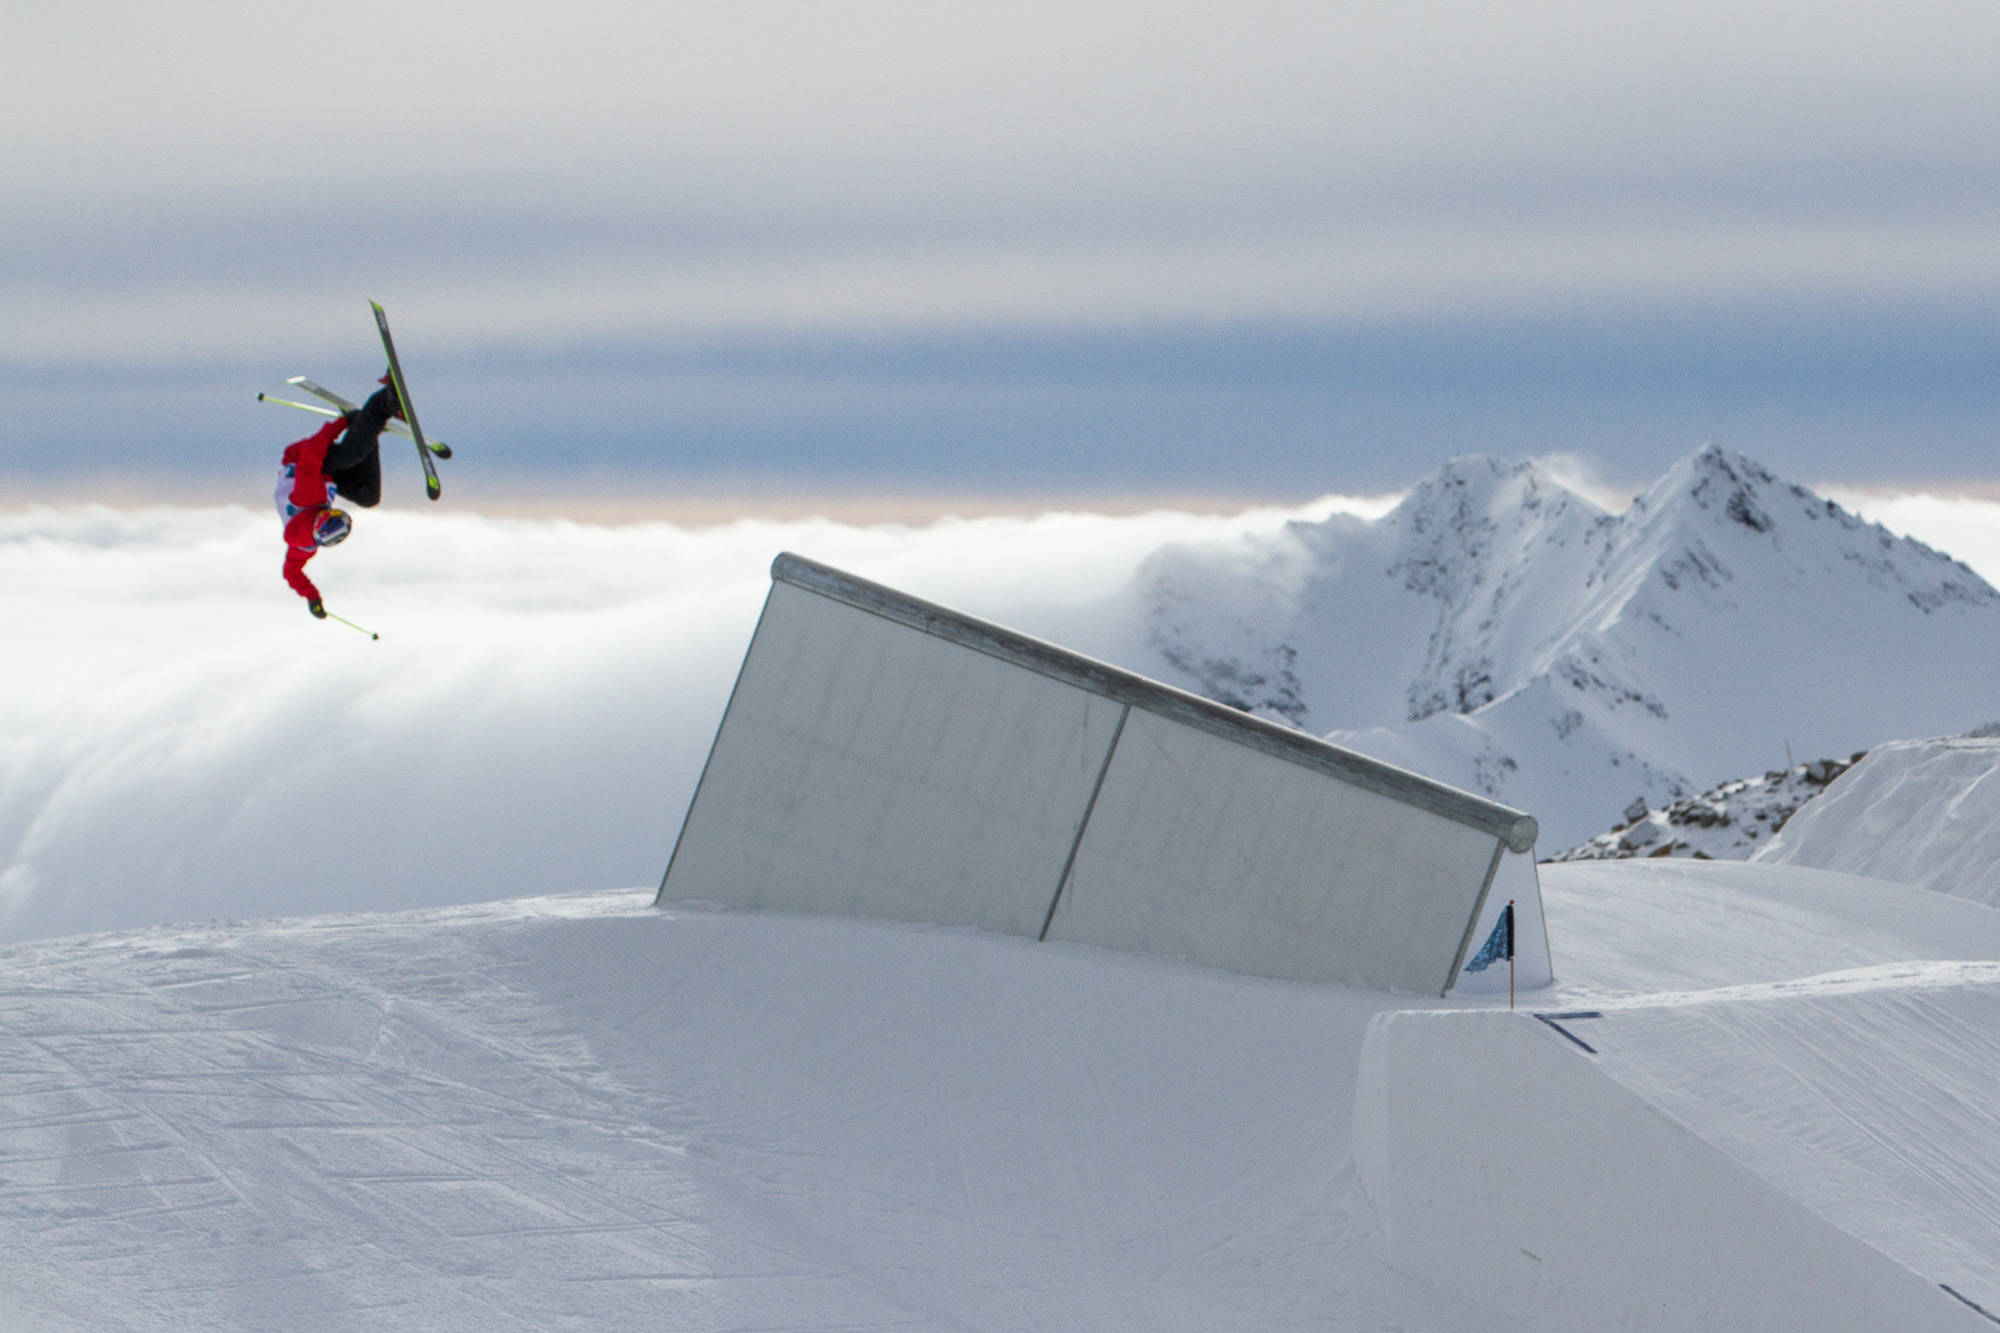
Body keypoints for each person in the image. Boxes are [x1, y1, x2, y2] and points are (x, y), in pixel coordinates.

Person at [275, 414, 356, 617]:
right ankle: (369, 427)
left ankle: (371, 415)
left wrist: (342, 423)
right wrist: (313, 597)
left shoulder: (307, 498)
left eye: (332, 515)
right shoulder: (305, 546)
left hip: (299, 458)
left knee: (351, 455)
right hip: (325, 478)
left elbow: (310, 453)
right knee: (369, 496)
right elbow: (291, 572)